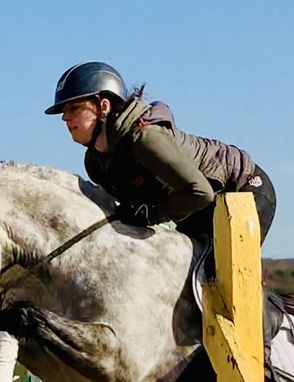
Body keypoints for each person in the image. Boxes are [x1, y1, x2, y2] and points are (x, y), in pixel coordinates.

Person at [44, 61, 276, 249]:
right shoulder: (95, 163)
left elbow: (201, 192)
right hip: (194, 210)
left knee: (218, 278)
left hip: (242, 191)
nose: (65, 118)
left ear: (103, 106)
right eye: (64, 112)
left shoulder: (145, 139)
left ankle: (287, 309)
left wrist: (150, 215)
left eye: (74, 108)